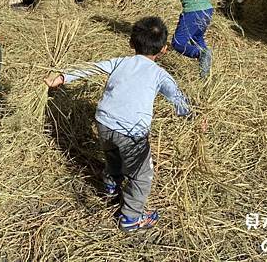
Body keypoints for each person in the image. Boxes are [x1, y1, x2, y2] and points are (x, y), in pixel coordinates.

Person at [45, 16, 192, 232]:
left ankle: (111, 185)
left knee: (113, 154)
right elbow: (178, 98)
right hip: (132, 131)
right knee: (142, 176)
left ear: (131, 43)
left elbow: (91, 68)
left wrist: (62, 78)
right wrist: (191, 117)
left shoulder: (120, 62)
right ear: (164, 49)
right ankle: (131, 217)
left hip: (104, 122)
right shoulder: (161, 74)